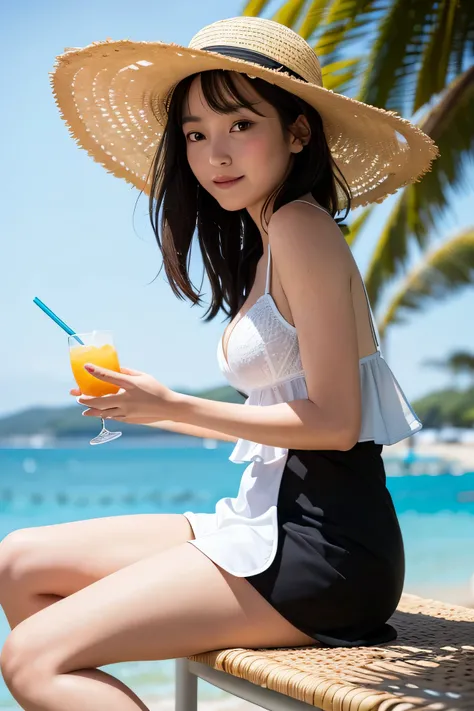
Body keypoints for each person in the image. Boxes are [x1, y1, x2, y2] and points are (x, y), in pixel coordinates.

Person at [0, 16, 438, 710]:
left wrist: (169, 408)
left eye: (239, 124)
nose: (215, 154)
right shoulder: (267, 239)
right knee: (18, 562)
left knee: (31, 656)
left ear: (297, 133)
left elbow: (334, 421)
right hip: (268, 519)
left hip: (325, 548)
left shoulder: (301, 226)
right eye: (196, 133)